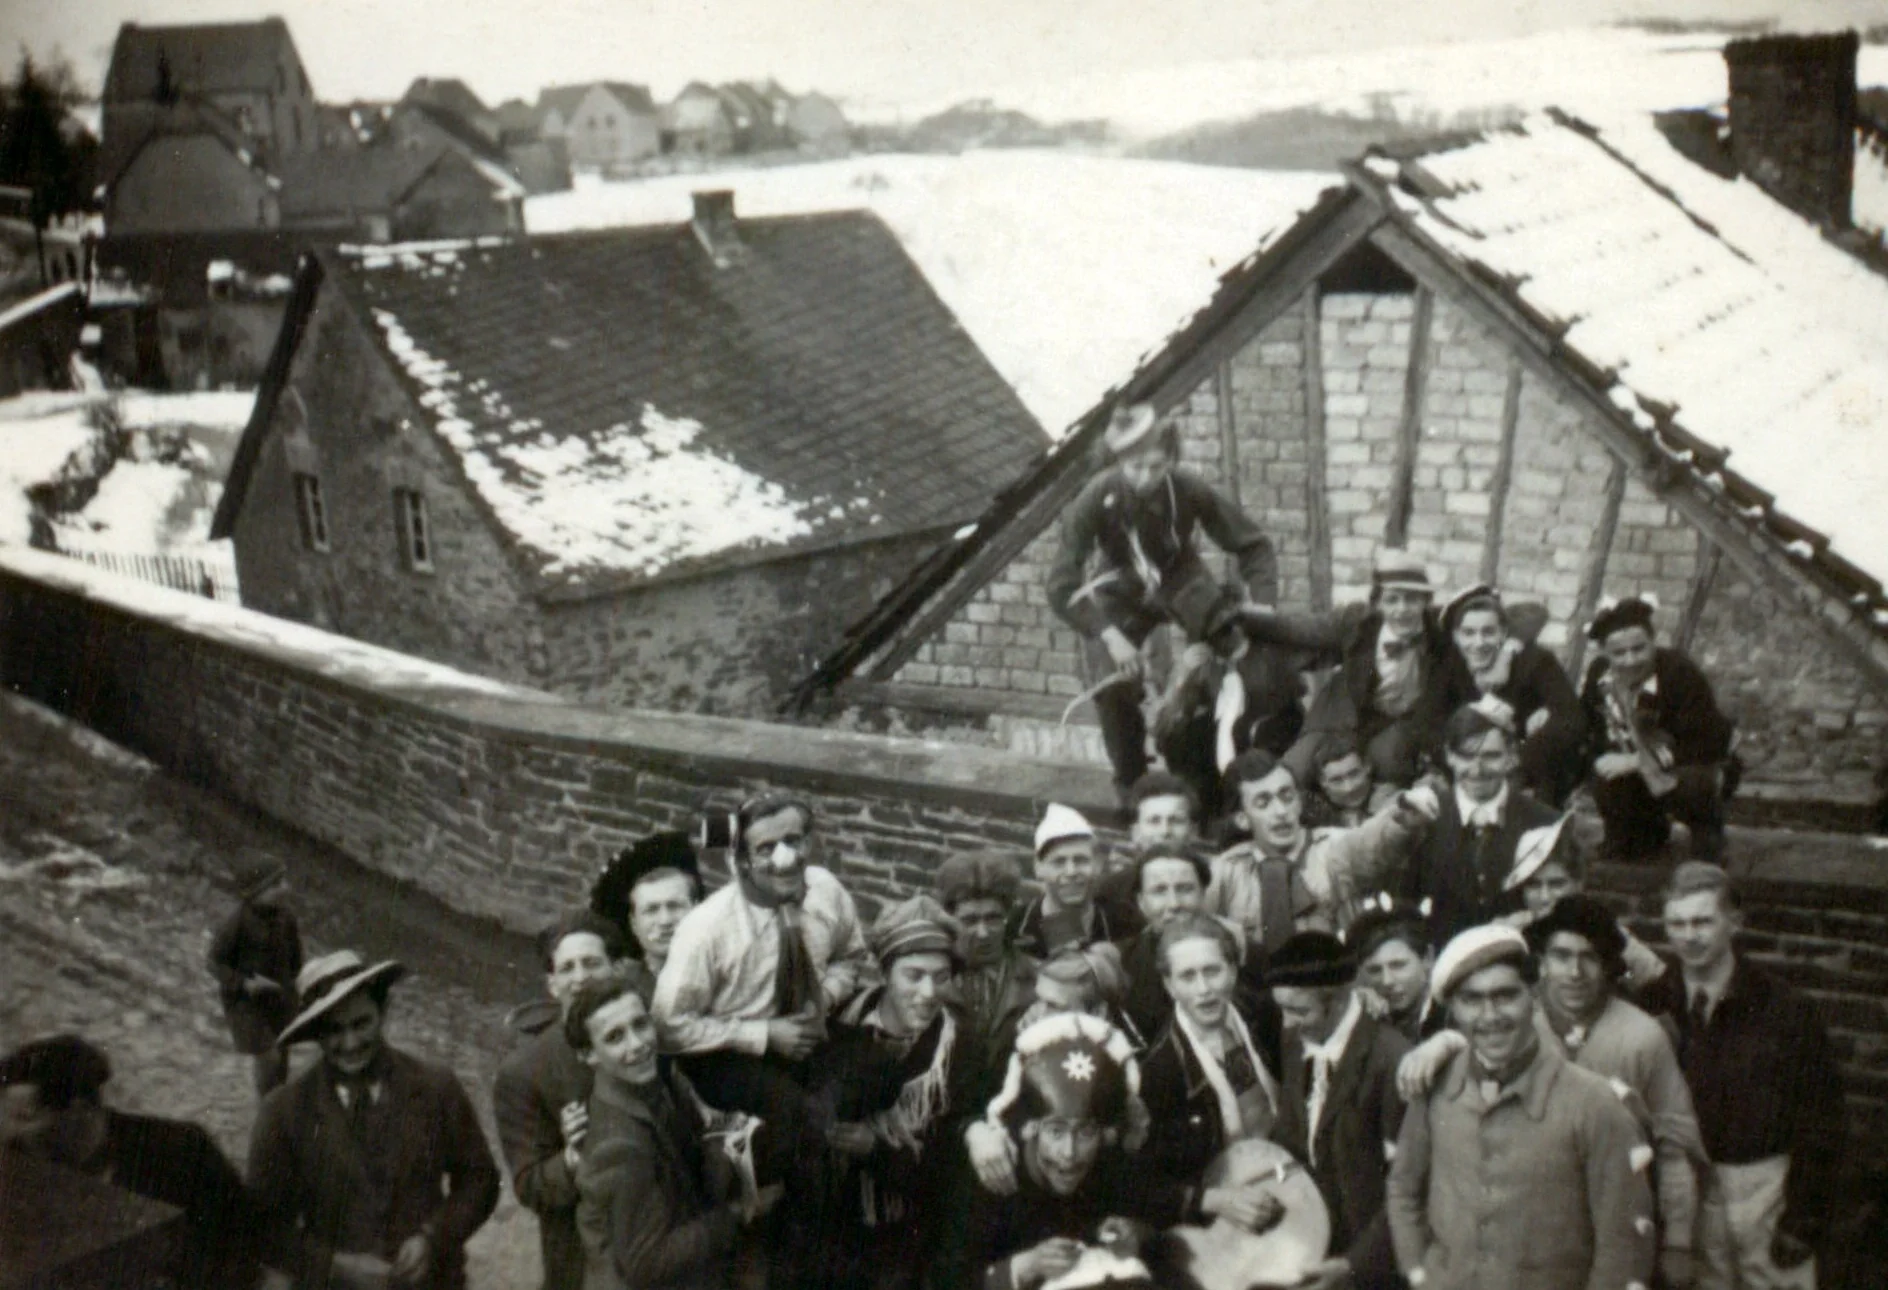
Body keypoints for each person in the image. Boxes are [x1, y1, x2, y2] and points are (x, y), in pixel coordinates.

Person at [1397, 897, 1706, 1289]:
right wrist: (1441, 1043)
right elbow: (1482, 1033)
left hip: (1613, 1220)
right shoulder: (1522, 1017)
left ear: (1610, 964)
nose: (1574, 972)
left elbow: (1675, 1145)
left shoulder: (1642, 1038)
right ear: (1542, 965)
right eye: (1561, 956)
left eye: (1589, 957)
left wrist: (1678, 1242)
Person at [651, 795, 870, 1276]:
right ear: (742, 860)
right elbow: (669, 1026)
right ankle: (796, 1263)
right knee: (801, 1124)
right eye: (766, 848)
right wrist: (764, 1034)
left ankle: (853, 1229)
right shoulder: (707, 929)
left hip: (806, 1028)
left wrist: (825, 1000)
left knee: (870, 1076)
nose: (784, 858)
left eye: (793, 841)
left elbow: (852, 956)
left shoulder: (827, 892)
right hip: (728, 1050)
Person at [1046, 401, 1279, 801]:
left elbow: (1254, 546)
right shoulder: (1094, 498)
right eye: (1135, 467)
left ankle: (1219, 775)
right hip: (1121, 589)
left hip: (1181, 578)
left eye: (1156, 466)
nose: (1145, 478)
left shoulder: (1189, 488)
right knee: (1112, 686)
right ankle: (1134, 788)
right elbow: (1060, 586)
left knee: (1228, 653)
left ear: (1171, 459)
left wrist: (1264, 603)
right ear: (1118, 461)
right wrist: (1108, 634)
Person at [1639, 863, 1844, 1290]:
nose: (1689, 936)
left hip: (1764, 1189)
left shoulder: (1784, 1008)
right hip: (1687, 1188)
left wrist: (1802, 1220)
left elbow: (1822, 1119)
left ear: (1735, 922)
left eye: (1702, 921)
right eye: (1676, 923)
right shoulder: (1655, 1001)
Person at [961, 1012, 1275, 1290]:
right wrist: (1023, 1267)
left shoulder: (1107, 1162)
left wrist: (1137, 1233)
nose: (1069, 1153)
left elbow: (1157, 1198)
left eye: (1085, 1131)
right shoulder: (996, 1174)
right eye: (1055, 1131)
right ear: (1030, 1129)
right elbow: (947, 1277)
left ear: (1106, 1134)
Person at [248, 950, 500, 1290]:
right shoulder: (283, 1111)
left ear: (382, 1013)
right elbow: (261, 1227)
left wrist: (433, 1238)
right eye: (334, 1031)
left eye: (361, 1023)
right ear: (316, 1034)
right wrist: (336, 1266)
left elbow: (480, 1180)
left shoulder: (436, 1086)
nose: (350, 1043)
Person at [567, 976, 781, 1290]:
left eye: (640, 1025)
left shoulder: (647, 1084)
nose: (638, 1044)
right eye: (615, 1037)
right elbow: (647, 1264)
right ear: (588, 1055)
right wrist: (739, 1213)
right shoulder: (618, 1146)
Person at [817, 896, 986, 1290]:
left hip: (903, 1242)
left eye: (941, 976)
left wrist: (875, 1150)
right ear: (884, 972)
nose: (928, 992)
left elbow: (952, 1177)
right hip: (826, 1224)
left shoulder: (960, 1051)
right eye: (914, 974)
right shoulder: (839, 1021)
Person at [1, 1034, 260, 1290]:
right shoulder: (14, 1165)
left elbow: (240, 1250)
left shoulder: (182, 1153)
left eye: (26, 1117)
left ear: (78, 1111)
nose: (10, 1132)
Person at [1242, 548, 1478, 790]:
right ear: (1377, 603)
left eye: (1412, 599)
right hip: (1342, 716)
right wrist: (1236, 618)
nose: (1402, 609)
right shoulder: (1357, 623)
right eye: (1392, 599)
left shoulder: (1443, 636)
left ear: (1426, 602)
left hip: (1400, 726)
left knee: (1387, 763)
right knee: (1297, 770)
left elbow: (1487, 621)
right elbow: (1298, 629)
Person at [493, 911, 632, 1290]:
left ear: (618, 969)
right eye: (567, 968)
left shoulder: (648, 1038)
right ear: (552, 985)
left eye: (592, 963)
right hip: (582, 1259)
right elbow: (530, 1185)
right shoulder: (524, 1071)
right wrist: (572, 1156)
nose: (581, 977)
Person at [1267, 932, 1410, 1290]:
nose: (1286, 1022)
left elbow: (1407, 1189)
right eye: (1281, 1009)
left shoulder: (1392, 1060)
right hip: (1313, 1249)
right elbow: (1292, 1139)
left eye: (1299, 1011)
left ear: (1341, 999)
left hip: (1373, 1267)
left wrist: (1353, 1265)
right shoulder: (1294, 1040)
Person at [1207, 749, 1435, 966]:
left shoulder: (1333, 847)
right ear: (1242, 819)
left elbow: (1372, 841)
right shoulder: (1227, 871)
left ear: (1299, 801)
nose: (1280, 811)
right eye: (1263, 803)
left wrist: (1402, 816)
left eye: (1287, 797)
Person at [1578, 595, 1737, 862]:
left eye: (1639, 649)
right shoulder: (1600, 675)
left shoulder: (1679, 673)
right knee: (1606, 777)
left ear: (1653, 643)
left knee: (1693, 785)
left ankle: (1707, 832)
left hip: (1689, 762)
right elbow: (1587, 721)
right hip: (1630, 765)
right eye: (1619, 653)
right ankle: (1639, 833)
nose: (1630, 660)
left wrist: (1639, 760)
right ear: (1605, 653)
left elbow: (1710, 740)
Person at [1139, 913, 1284, 1184]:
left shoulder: (1268, 1016)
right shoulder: (1162, 1069)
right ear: (1169, 986)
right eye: (1187, 977)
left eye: (1212, 971)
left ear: (1233, 970)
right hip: (1228, 1190)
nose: (1203, 989)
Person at [1400, 700, 1559, 945]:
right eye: (1466, 756)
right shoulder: (1424, 819)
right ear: (1449, 757)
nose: (1477, 769)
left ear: (1511, 757)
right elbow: (1405, 909)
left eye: (1491, 756)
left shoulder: (1545, 822)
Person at [1442, 585, 1584, 806]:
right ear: (1455, 636)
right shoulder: (1450, 665)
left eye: (1488, 632)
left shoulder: (1535, 661)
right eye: (1468, 633)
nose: (1478, 643)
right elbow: (1429, 718)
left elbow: (1571, 719)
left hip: (1523, 770)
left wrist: (1517, 758)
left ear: (1504, 633)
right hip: (1465, 767)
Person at [1151, 634, 1307, 822]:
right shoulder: (1209, 706)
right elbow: (1165, 734)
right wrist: (1182, 677)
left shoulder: (1278, 715)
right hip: (1213, 810)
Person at [1500, 815, 1666, 992]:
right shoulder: (1508, 935)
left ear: (1578, 883)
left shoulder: (1603, 928)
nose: (1545, 896)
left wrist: (1623, 980)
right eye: (1533, 885)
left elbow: (1651, 979)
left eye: (1557, 884)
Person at [207, 856, 302, 1095]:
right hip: (246, 1003)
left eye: (283, 881)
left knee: (283, 1052)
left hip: (279, 996)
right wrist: (244, 983)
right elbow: (214, 962)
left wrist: (299, 984)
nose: (285, 888)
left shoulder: (286, 917)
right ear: (254, 893)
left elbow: (296, 956)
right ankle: (266, 1107)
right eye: (275, 885)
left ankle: (278, 1099)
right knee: (268, 1056)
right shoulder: (237, 923)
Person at [935, 850, 1037, 1054]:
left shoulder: (1034, 978)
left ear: (1008, 916)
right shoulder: (933, 977)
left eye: (993, 919)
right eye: (970, 921)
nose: (983, 933)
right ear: (950, 920)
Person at [1008, 805, 1130, 958]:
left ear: (1098, 864)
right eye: (1059, 862)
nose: (1071, 872)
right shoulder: (1013, 928)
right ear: (1038, 868)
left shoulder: (1124, 923)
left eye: (1080, 860)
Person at [590, 830, 701, 991]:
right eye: (651, 910)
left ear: (697, 911)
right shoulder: (616, 987)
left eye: (674, 906)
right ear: (634, 923)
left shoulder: (726, 975)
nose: (665, 920)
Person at [1346, 895, 1444, 1043]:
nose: (1387, 981)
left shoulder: (1451, 1015)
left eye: (1398, 965)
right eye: (1374, 970)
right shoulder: (1364, 1016)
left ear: (1427, 958)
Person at [1302, 734, 1381, 830]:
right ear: (1322, 782)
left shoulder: (1388, 799)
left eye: (1354, 774)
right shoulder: (1311, 818)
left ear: (1367, 767)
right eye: (1337, 780)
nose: (1349, 788)